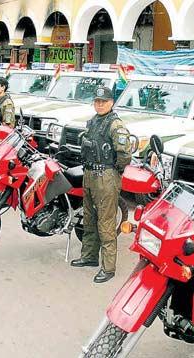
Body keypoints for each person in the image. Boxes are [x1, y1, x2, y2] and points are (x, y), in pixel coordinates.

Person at [70, 86, 131, 283]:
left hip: (105, 176)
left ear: (111, 103)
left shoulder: (115, 125)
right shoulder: (94, 121)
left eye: (103, 101)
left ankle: (109, 267)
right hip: (89, 174)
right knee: (89, 218)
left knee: (105, 222)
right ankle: (89, 256)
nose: (99, 104)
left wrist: (114, 170)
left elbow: (124, 155)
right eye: (97, 101)